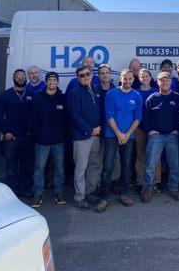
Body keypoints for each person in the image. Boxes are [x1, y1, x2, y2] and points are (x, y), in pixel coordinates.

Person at [96, 69, 142, 212]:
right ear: (120, 79)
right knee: (107, 166)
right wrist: (118, 133)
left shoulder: (137, 96)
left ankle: (124, 194)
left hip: (129, 136)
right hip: (111, 134)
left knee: (126, 166)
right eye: (125, 78)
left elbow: (138, 118)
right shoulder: (111, 94)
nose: (127, 81)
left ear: (133, 80)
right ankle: (103, 198)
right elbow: (109, 115)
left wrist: (126, 134)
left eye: (130, 79)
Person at [141, 71, 179, 203]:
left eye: (167, 80)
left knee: (174, 164)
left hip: (172, 136)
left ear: (171, 82)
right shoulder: (152, 98)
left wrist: (178, 129)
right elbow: (145, 117)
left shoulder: (177, 97)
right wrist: (149, 130)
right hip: (156, 136)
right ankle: (148, 188)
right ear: (157, 82)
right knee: (150, 164)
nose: (164, 83)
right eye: (162, 80)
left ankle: (173, 188)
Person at [67, 65, 102, 210]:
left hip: (97, 136)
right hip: (82, 137)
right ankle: (79, 197)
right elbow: (75, 116)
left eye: (87, 74)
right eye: (81, 75)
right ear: (77, 78)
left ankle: (90, 192)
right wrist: (90, 130)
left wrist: (98, 129)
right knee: (81, 168)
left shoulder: (96, 89)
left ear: (92, 74)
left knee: (94, 166)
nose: (85, 77)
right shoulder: (75, 93)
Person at [0, 69, 35, 197]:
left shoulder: (32, 94)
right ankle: (12, 191)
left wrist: (33, 131)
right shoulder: (6, 95)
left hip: (27, 137)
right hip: (11, 137)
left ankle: (25, 189)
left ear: (26, 78)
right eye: (18, 77)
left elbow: (36, 114)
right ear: (13, 78)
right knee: (12, 167)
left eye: (23, 77)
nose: (21, 78)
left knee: (27, 165)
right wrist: (5, 132)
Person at [31, 72, 68, 207]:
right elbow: (33, 119)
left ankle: (58, 192)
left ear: (57, 82)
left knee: (59, 168)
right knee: (39, 169)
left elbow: (66, 119)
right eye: (50, 80)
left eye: (54, 80)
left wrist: (62, 134)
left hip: (58, 141)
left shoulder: (63, 98)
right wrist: (38, 134)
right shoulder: (38, 98)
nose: (52, 82)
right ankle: (38, 194)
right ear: (46, 82)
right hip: (41, 142)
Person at [135, 69, 161, 193]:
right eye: (142, 76)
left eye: (146, 76)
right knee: (141, 157)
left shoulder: (156, 92)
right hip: (139, 128)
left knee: (155, 157)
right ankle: (141, 183)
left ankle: (155, 182)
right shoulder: (136, 93)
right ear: (139, 78)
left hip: (154, 129)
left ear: (151, 78)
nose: (144, 78)